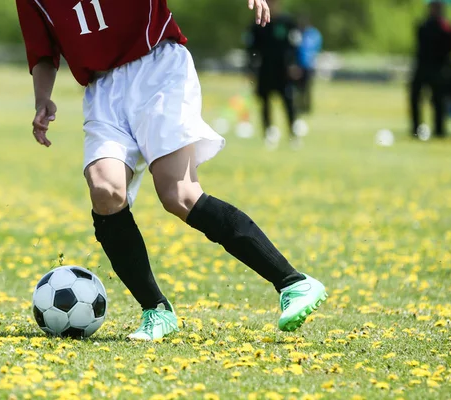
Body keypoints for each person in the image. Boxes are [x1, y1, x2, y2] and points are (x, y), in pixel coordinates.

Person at [16, 0, 327, 341]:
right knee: (105, 190)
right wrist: (41, 98)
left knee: (179, 195)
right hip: (102, 89)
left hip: (158, 68)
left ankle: (294, 283)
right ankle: (157, 311)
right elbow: (43, 50)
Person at [245, 0, 302, 139]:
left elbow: (295, 45)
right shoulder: (257, 23)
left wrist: (294, 64)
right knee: (264, 100)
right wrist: (251, 69)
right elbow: (251, 49)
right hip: (265, 68)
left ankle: (293, 131)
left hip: (284, 69)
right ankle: (268, 131)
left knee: (288, 100)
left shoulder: (287, 22)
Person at [410, 0, 451, 138]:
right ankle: (416, 129)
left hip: (439, 68)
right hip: (423, 66)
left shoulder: (447, 28)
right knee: (415, 97)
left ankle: (439, 130)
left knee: (438, 100)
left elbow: (450, 48)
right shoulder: (423, 26)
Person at [296, 15, 322, 115]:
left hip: (309, 65)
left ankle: (307, 107)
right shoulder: (298, 33)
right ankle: (299, 106)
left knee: (307, 88)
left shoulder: (313, 34)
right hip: (299, 65)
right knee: (298, 88)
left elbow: (316, 48)